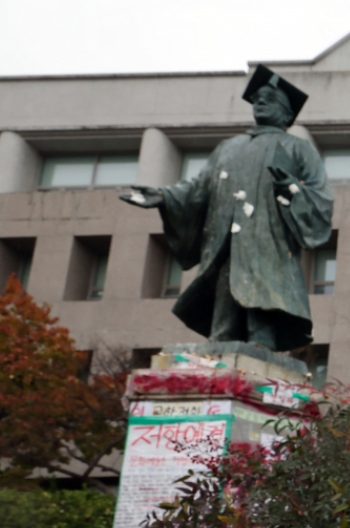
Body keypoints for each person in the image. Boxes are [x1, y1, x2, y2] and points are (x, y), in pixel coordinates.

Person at [120, 65, 333, 353]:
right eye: (258, 97)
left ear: (285, 112)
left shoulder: (297, 148)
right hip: (225, 236)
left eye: (269, 98)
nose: (260, 101)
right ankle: (221, 336)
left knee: (263, 285)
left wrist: (292, 188)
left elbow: (319, 195)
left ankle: (263, 339)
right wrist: (163, 195)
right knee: (224, 283)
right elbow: (200, 187)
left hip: (268, 236)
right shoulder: (229, 147)